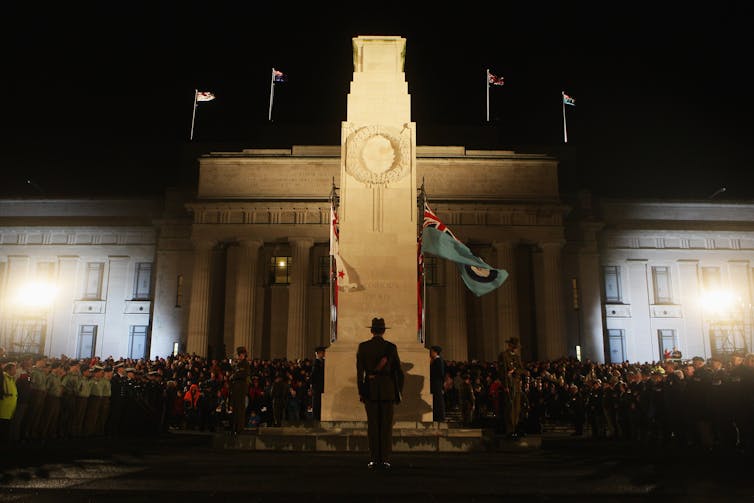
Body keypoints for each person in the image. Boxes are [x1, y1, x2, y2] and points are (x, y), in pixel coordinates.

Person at [356, 317, 404, 470]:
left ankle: (374, 459)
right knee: (386, 426)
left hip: (370, 390)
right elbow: (399, 373)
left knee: (373, 425)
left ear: (371, 331)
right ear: (383, 331)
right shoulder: (391, 347)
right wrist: (398, 392)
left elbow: (359, 373)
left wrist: (362, 392)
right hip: (387, 391)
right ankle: (384, 459)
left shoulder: (363, 347)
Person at [498, 337, 524, 439]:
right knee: (509, 407)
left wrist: (513, 371)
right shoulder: (503, 356)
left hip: (516, 384)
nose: (515, 348)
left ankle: (515, 428)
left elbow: (521, 370)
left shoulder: (517, 357)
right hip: (509, 384)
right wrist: (505, 385)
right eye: (514, 346)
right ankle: (510, 430)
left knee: (517, 407)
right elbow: (502, 371)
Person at [228, 346, 250, 436]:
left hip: (241, 388)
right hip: (236, 388)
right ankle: (234, 428)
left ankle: (239, 429)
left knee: (240, 409)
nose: (237, 356)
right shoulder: (238, 364)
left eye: (238, 354)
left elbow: (244, 374)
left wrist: (234, 376)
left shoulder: (245, 364)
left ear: (243, 355)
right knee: (235, 408)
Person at [429, 345, 446, 422]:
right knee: (436, 401)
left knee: (438, 401)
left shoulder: (438, 360)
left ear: (435, 352)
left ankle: (440, 417)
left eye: (431, 351)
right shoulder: (435, 360)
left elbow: (440, 373)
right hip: (436, 383)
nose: (430, 353)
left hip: (437, 383)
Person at [311, 346, 326, 421]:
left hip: (322, 386)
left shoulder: (323, 362)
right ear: (317, 354)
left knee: (320, 404)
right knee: (316, 404)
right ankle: (316, 420)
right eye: (321, 353)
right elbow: (313, 376)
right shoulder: (316, 363)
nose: (323, 354)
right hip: (317, 387)